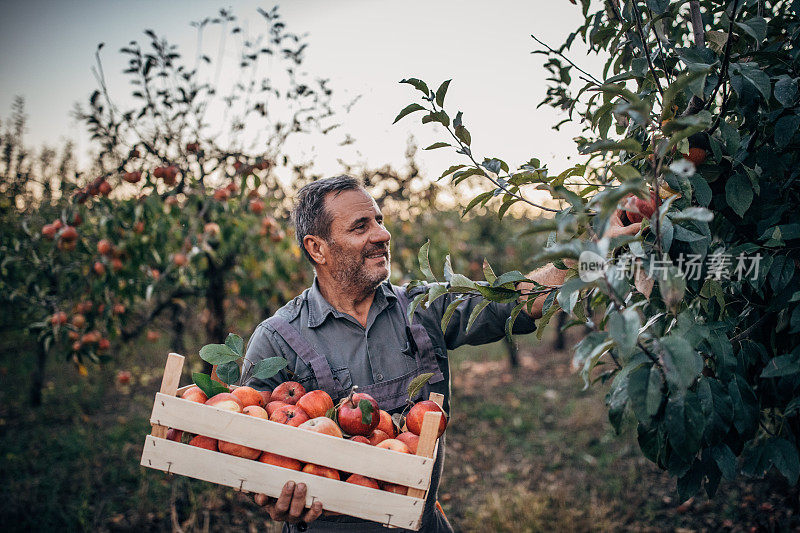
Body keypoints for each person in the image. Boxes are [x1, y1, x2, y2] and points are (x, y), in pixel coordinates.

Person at [241, 175, 640, 532]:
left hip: (423, 523)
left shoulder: (420, 306)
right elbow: (242, 447)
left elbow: (517, 301)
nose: (382, 234)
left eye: (379, 220)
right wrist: (269, 494)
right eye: (361, 226)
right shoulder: (278, 340)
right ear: (317, 248)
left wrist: (590, 250)